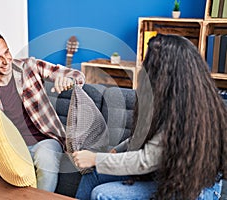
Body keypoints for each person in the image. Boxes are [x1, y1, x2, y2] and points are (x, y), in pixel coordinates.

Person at [72, 34, 227, 199]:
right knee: (92, 174)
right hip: (166, 173)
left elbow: (146, 160)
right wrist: (117, 150)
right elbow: (147, 135)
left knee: (102, 194)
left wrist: (96, 158)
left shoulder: (190, 112)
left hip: (192, 188)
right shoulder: (171, 99)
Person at [0, 30, 85, 192]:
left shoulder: (30, 66)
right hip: (11, 146)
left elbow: (77, 75)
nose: (6, 61)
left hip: (44, 140)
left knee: (46, 159)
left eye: (6, 52)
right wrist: (7, 155)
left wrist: (68, 80)